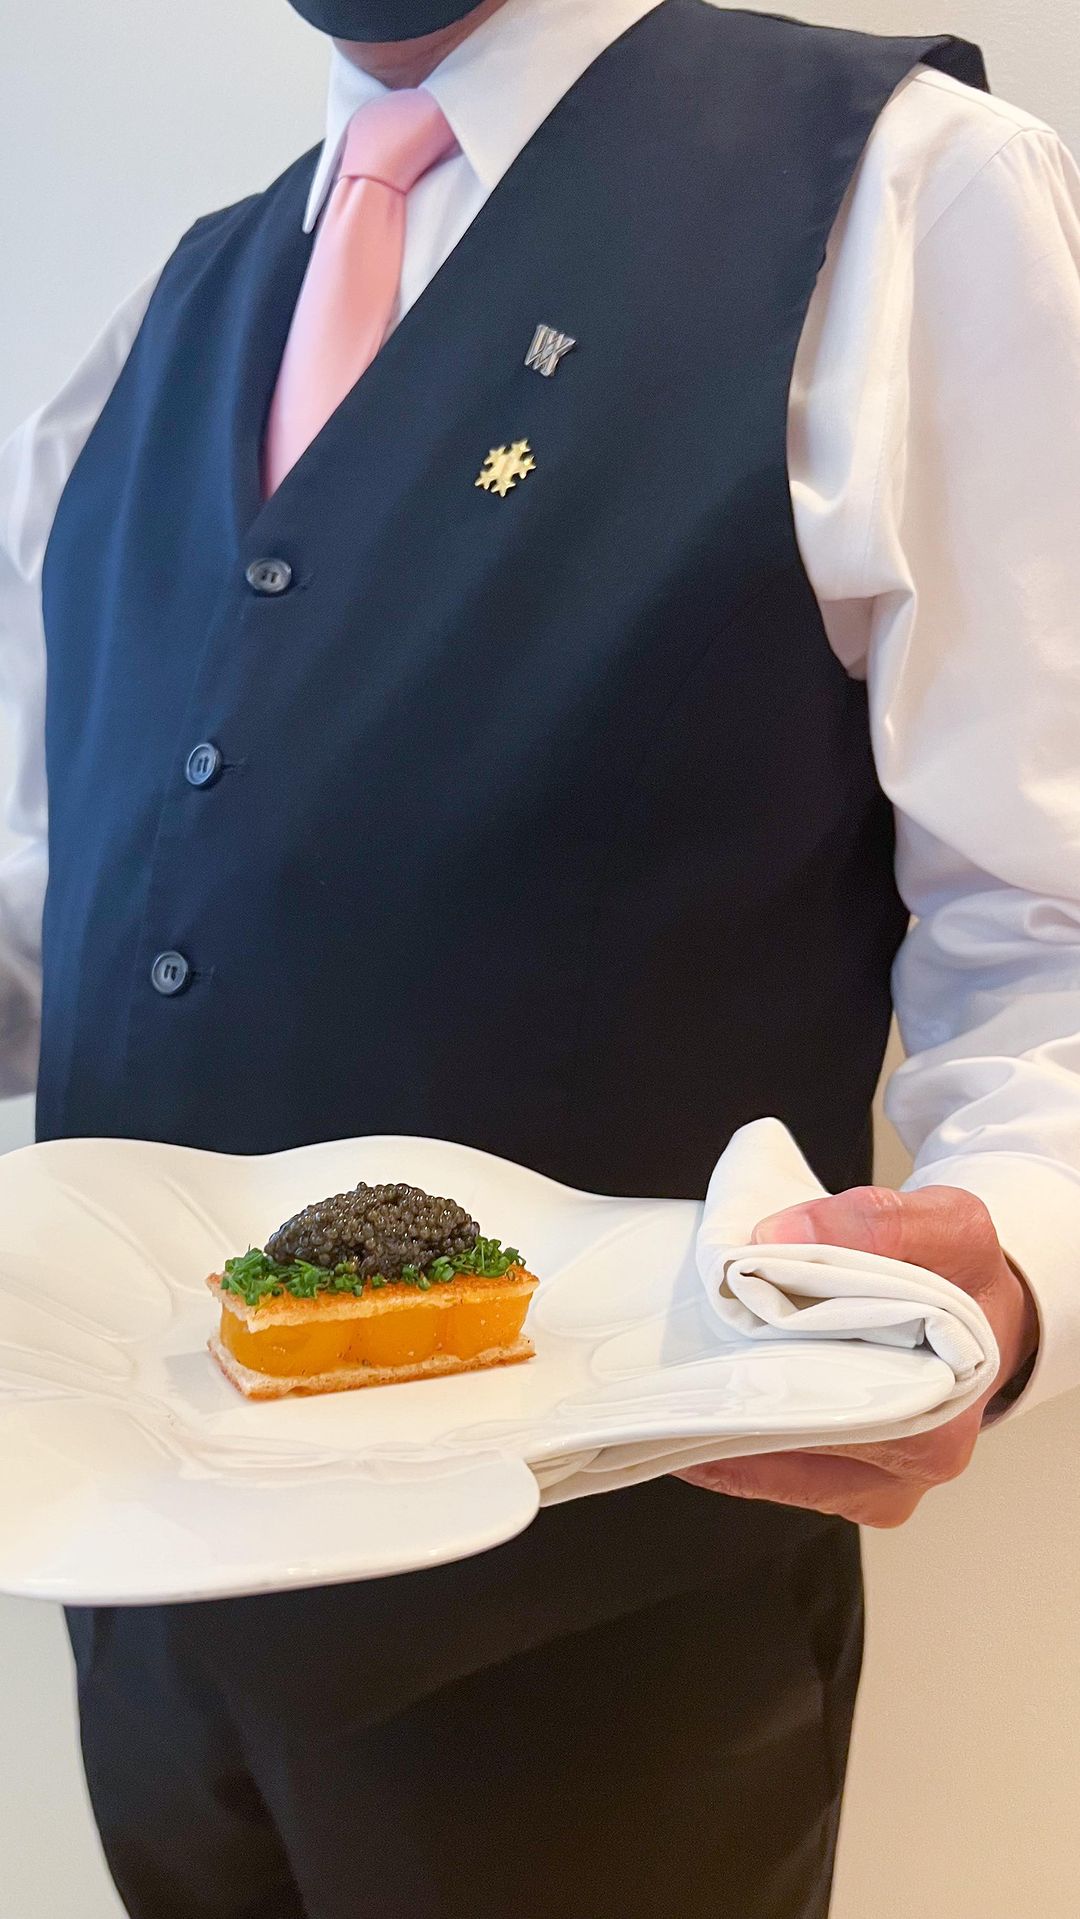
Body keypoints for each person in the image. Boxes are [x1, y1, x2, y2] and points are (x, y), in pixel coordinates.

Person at [1, 1, 1079, 1913]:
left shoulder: (908, 197)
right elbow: (88, 884)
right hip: (142, 1639)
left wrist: (1016, 1252)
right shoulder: (161, 319)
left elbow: (1050, 909)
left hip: (604, 1653)